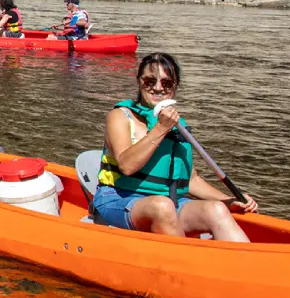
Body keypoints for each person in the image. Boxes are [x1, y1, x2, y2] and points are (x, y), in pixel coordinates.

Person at [93, 53, 256, 241]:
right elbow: (126, 166)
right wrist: (161, 128)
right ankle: (190, 265)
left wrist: (228, 200)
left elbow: (190, 179)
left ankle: (243, 266)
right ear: (139, 81)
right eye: (149, 81)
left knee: (216, 210)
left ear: (175, 86)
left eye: (166, 83)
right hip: (120, 200)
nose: (157, 88)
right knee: (162, 206)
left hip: (169, 204)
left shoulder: (178, 124)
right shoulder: (120, 117)